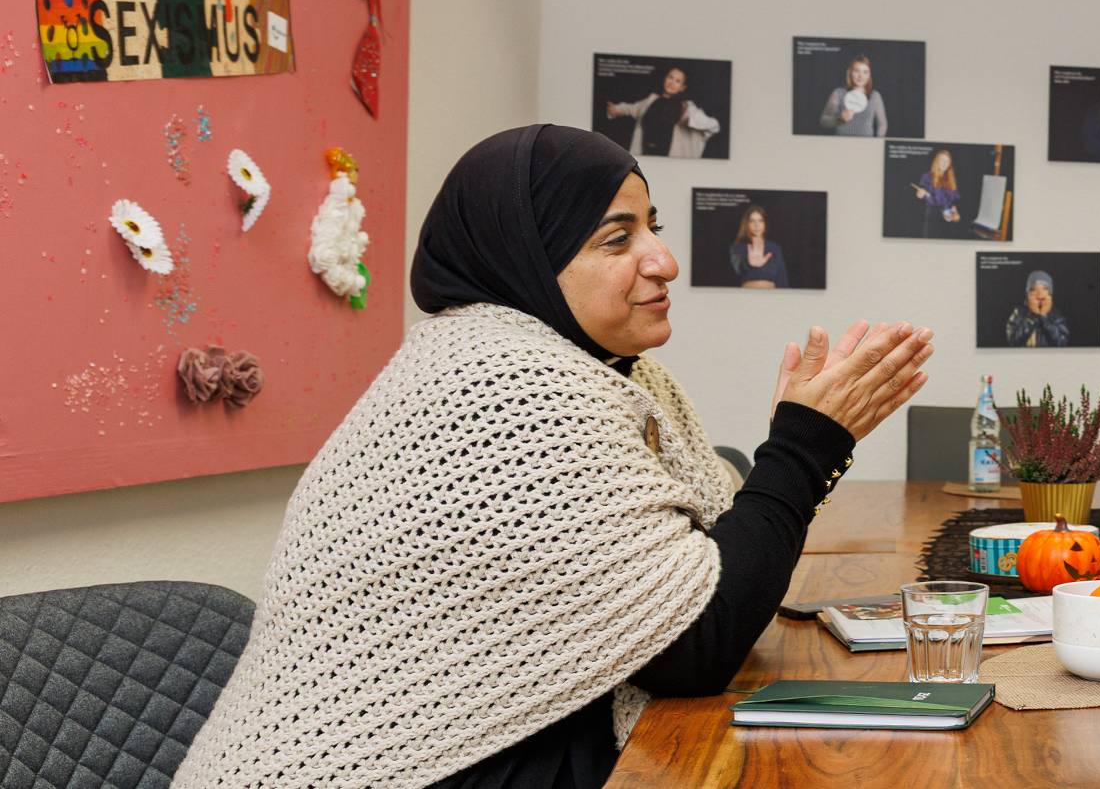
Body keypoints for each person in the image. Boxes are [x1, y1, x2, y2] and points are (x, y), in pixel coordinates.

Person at [175, 124, 934, 788]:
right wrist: (803, 447)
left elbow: (709, 565)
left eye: (652, 227)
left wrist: (797, 448)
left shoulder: (590, 368)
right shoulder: (506, 380)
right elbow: (696, 644)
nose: (664, 260)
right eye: (617, 238)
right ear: (525, 257)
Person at [606, 66, 722, 158]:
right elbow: (631, 108)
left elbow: (714, 126)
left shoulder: (687, 107)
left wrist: (690, 120)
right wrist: (616, 109)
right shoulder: (651, 100)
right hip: (646, 155)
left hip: (669, 161)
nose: (672, 82)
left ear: (682, 87)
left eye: (677, 81)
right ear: (665, 78)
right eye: (670, 78)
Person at [818, 55, 889, 136]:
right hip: (841, 144)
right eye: (856, 71)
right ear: (850, 72)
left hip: (866, 145)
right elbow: (823, 121)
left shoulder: (875, 96)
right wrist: (840, 119)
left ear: (869, 75)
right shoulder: (838, 93)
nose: (860, 76)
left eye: (865, 72)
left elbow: (882, 124)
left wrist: (877, 142)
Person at [1004, 270, 1071, 347]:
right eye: (1033, 289)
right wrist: (1032, 318)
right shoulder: (1018, 312)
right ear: (1027, 293)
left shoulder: (1056, 315)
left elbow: (1061, 342)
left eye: (1045, 289)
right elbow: (1013, 341)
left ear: (1050, 294)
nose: (1039, 294)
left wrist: (1044, 317)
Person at [730, 205, 787, 288]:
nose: (757, 225)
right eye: (752, 221)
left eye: (760, 221)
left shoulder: (774, 248)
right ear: (746, 224)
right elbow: (737, 270)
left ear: (765, 223)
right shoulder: (738, 247)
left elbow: (782, 278)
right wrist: (748, 264)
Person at [910, 148, 962, 239]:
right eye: (942, 160)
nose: (944, 163)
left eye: (947, 161)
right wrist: (920, 194)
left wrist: (955, 213)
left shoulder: (951, 179)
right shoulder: (927, 176)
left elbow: (954, 200)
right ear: (937, 161)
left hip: (948, 219)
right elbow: (921, 193)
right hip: (933, 218)